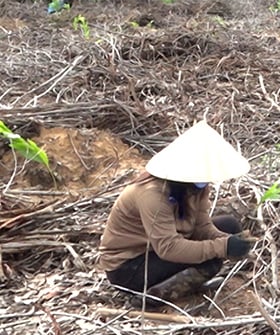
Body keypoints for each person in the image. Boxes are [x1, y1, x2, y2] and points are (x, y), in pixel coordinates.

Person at [98, 121, 255, 306]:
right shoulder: (152, 194)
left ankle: (183, 284)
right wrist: (221, 247)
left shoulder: (196, 186)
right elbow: (168, 247)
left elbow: (201, 226)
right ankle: (154, 297)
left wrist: (228, 241)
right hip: (129, 268)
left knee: (229, 225)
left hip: (158, 252)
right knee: (208, 260)